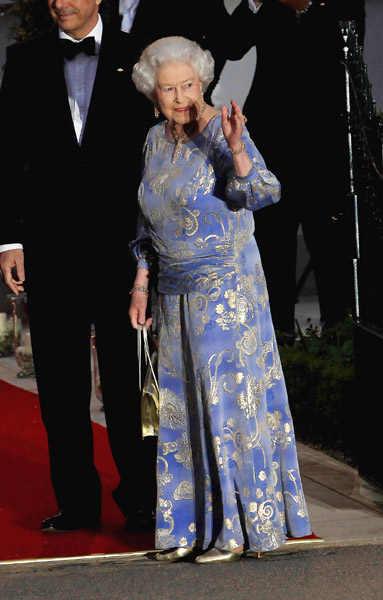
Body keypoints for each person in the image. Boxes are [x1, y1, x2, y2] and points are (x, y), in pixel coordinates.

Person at [129, 36, 312, 563]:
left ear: (203, 83)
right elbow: (148, 216)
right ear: (153, 93)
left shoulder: (219, 128)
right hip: (173, 291)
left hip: (225, 287)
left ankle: (235, 529)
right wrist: (141, 280)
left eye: (189, 85)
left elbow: (263, 193)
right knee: (183, 410)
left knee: (224, 406)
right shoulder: (153, 139)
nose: (181, 96)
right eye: (169, 88)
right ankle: (187, 528)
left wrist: (235, 146)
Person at [0, 0, 156, 533]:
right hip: (50, 247)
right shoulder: (23, 60)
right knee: (61, 384)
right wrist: (9, 240)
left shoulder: (140, 57)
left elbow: (157, 154)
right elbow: (5, 153)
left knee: (126, 380)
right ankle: (77, 502)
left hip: (121, 250)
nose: (59, 2)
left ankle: (141, 498)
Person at [214, 0, 366, 334]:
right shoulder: (266, 6)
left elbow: (345, 52)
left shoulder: (342, 6)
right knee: (272, 246)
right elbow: (230, 45)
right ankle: (276, 346)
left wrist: (304, 7)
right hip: (273, 143)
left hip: (327, 145)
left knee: (331, 249)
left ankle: (336, 346)